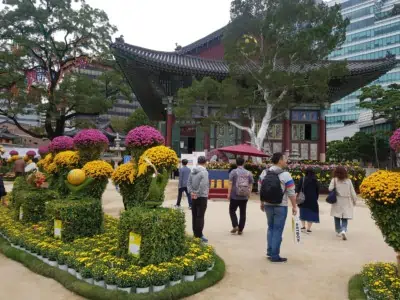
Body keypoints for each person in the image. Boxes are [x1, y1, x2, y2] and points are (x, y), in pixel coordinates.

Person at [260, 152, 297, 263]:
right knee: (277, 230)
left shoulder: (264, 172)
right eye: (285, 159)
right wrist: (294, 206)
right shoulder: (285, 175)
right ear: (280, 160)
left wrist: (262, 202)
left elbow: (261, 188)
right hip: (281, 205)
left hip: (267, 205)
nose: (286, 161)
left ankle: (270, 251)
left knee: (270, 228)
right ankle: (275, 255)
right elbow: (291, 192)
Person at [329, 166, 357, 241]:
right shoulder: (348, 181)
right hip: (346, 200)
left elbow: (330, 189)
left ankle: (338, 231)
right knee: (345, 216)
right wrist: (354, 200)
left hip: (337, 200)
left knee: (337, 216)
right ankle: (344, 230)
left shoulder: (334, 180)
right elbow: (352, 192)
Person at [227, 157, 253, 235]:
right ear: (244, 163)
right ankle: (240, 229)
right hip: (244, 196)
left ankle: (235, 225)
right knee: (243, 213)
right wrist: (249, 193)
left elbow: (230, 183)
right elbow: (250, 184)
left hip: (234, 195)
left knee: (232, 210)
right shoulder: (249, 173)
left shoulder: (233, 172)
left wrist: (228, 194)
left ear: (236, 163)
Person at [188, 156, 209, 243]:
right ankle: (199, 235)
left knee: (194, 215)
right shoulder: (204, 172)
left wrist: (192, 192)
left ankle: (195, 233)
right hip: (202, 196)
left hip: (193, 196)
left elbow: (188, 182)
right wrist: (197, 193)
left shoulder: (192, 171)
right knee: (200, 216)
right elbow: (203, 185)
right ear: (205, 162)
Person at [296, 168, 320, 234]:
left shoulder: (302, 179)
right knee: (311, 213)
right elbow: (317, 190)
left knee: (303, 212)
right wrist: (316, 198)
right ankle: (308, 229)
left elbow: (298, 189)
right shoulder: (315, 180)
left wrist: (296, 197)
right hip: (312, 199)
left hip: (303, 198)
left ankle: (303, 227)